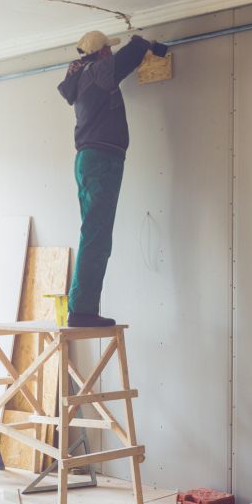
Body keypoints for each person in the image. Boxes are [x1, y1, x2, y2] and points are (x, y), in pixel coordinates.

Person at [56, 29, 169, 327]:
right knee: (97, 235)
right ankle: (82, 311)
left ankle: (82, 307)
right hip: (102, 160)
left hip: (88, 160)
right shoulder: (97, 71)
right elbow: (127, 59)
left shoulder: (81, 76)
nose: (110, 54)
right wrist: (144, 41)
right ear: (103, 52)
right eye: (108, 50)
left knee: (93, 233)